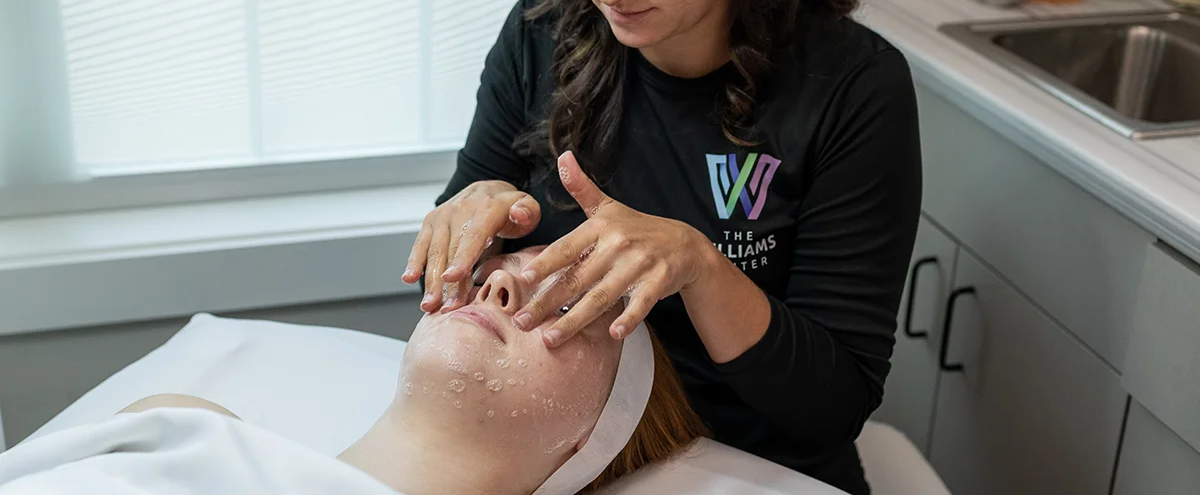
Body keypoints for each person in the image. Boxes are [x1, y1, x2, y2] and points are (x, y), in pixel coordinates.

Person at [402, 0, 922, 495]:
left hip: (755, 468)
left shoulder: (853, 90)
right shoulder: (539, 33)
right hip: (569, 455)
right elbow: (460, 275)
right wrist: (469, 220)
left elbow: (832, 403)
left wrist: (699, 269)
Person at [0, 249, 707, 495]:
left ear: (593, 439)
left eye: (569, 309)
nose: (499, 286)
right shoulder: (181, 420)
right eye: (495, 271)